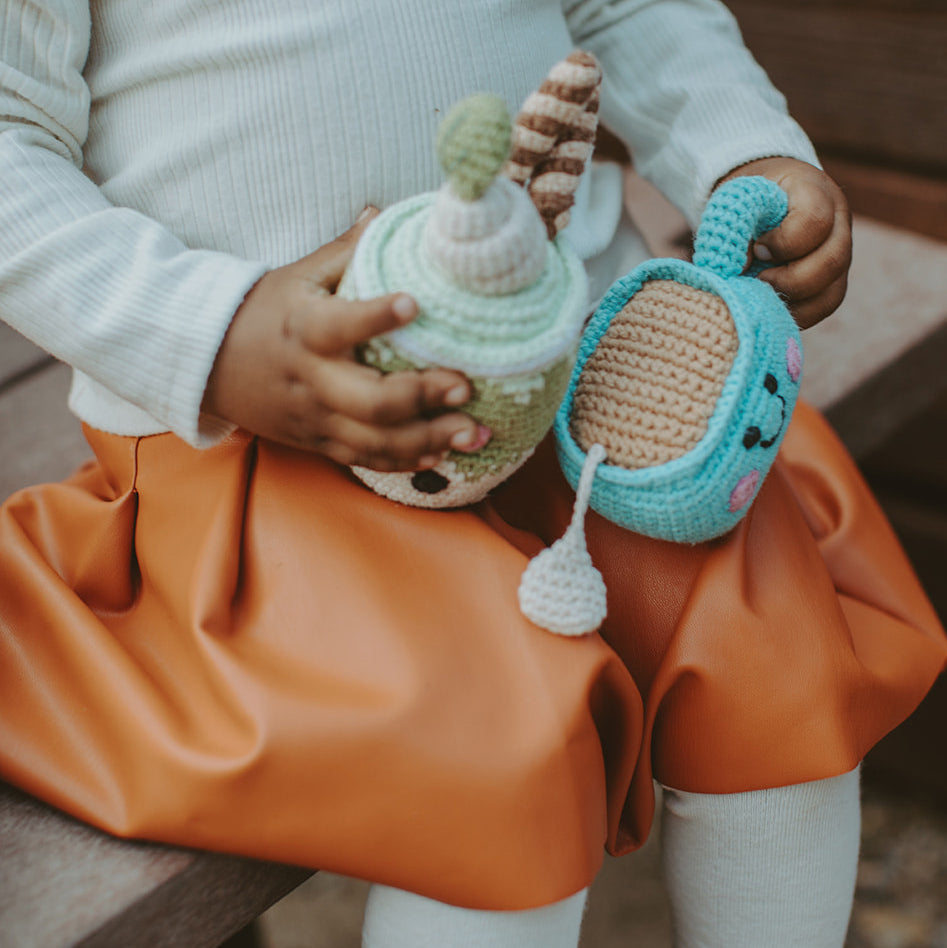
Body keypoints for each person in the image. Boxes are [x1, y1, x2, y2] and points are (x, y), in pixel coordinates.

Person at [0, 2, 944, 946]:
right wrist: (214, 334)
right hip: (272, 430)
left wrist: (742, 151)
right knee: (498, 756)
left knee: (774, 670)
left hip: (573, 367)